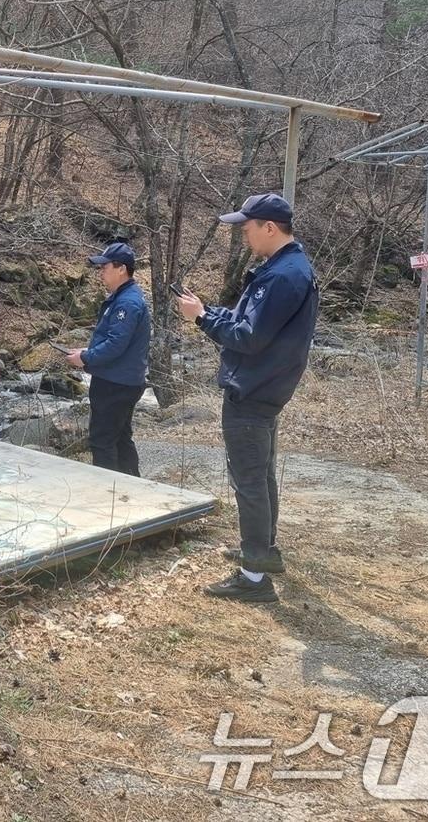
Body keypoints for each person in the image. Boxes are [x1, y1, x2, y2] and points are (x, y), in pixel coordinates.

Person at [176, 192, 319, 604]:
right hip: (265, 388)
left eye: (247, 227)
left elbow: (248, 337)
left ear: (269, 228)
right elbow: (246, 321)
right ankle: (264, 552)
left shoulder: (282, 276)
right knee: (261, 475)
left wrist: (201, 319)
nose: (243, 234)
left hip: (253, 390)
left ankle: (253, 578)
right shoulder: (287, 268)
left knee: (250, 481)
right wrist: (206, 311)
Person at [63, 242, 150, 477]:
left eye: (105, 267)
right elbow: (116, 341)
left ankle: (108, 491)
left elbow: (116, 345)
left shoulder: (127, 303)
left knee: (102, 440)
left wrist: (86, 357)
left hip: (116, 383)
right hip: (121, 380)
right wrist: (88, 351)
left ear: (121, 269)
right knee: (120, 437)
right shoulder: (124, 297)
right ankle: (131, 487)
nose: (101, 272)